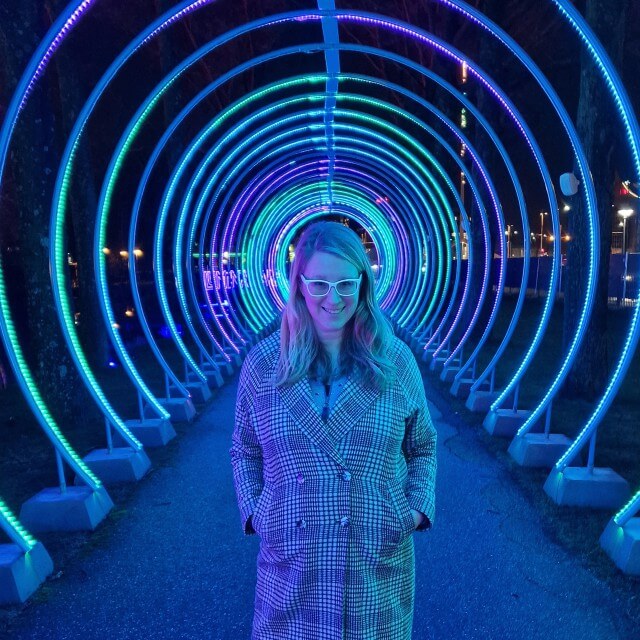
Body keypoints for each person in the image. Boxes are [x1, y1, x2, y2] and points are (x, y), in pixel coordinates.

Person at [229, 221, 437, 640]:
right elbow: (243, 449)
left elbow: (424, 445)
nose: (333, 298)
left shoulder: (394, 362)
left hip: (373, 567)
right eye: (319, 284)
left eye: (346, 283)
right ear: (299, 284)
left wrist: (412, 510)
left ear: (363, 284)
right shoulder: (264, 365)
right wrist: (257, 513)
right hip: (291, 569)